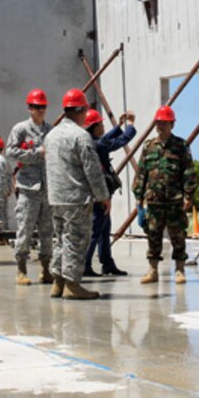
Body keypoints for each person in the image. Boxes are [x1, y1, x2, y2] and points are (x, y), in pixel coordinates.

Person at [44, 89, 111, 300]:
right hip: (76, 199)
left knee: (60, 240)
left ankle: (58, 282)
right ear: (80, 111)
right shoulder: (81, 136)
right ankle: (72, 285)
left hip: (56, 198)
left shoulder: (51, 135)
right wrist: (103, 196)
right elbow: (92, 170)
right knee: (75, 241)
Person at [132, 105, 197, 285]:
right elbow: (141, 172)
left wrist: (188, 195)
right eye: (158, 123)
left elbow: (188, 171)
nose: (160, 126)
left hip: (175, 200)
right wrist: (139, 196)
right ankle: (152, 270)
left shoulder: (181, 146)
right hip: (154, 200)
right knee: (153, 235)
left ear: (172, 125)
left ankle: (180, 270)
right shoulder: (148, 146)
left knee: (178, 235)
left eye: (164, 123)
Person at [6, 88, 54, 285]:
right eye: (36, 106)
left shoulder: (50, 131)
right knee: (25, 229)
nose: (40, 109)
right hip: (28, 188)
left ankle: (45, 269)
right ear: (29, 108)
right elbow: (11, 151)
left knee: (47, 231)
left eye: (42, 106)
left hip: (47, 188)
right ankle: (21, 269)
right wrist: (36, 153)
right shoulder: (21, 130)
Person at [83, 109, 136, 277]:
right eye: (101, 124)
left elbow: (107, 138)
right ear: (94, 127)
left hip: (97, 194)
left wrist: (119, 125)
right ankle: (85, 265)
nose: (103, 127)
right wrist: (131, 126)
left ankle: (107, 263)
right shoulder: (98, 145)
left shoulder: (91, 142)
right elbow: (120, 141)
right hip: (100, 195)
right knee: (96, 230)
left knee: (104, 230)